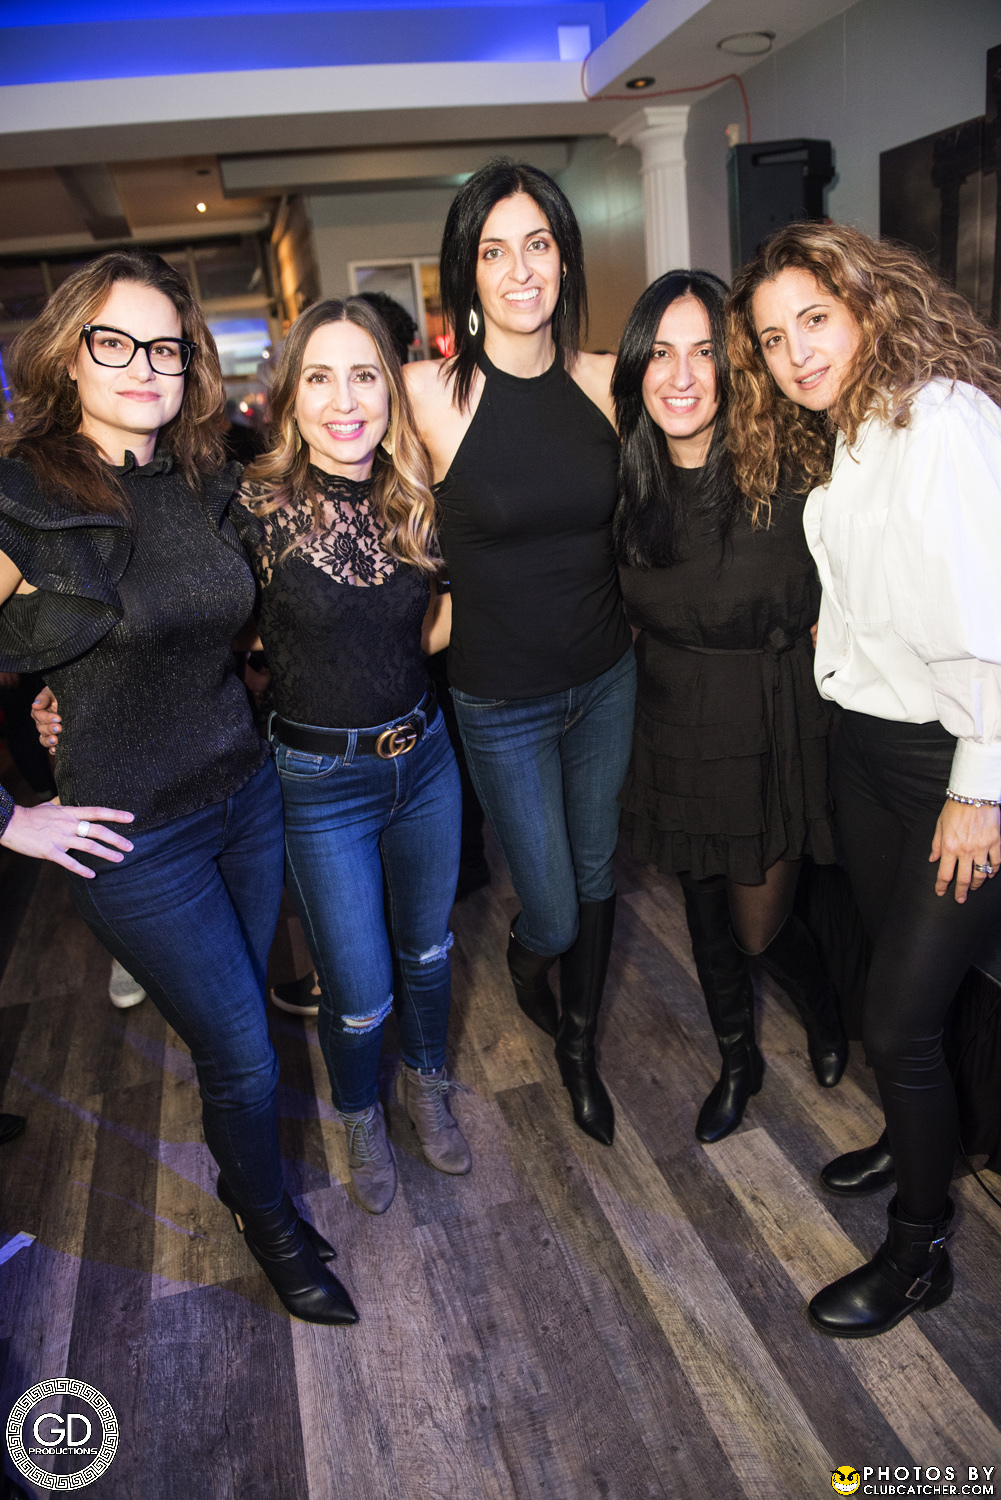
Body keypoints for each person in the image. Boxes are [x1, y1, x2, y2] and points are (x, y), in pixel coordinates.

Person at [0, 249, 356, 1326]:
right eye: (114, 342)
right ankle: (266, 1218)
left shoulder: (207, 478)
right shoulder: (23, 496)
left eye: (165, 347)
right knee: (243, 1048)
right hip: (133, 840)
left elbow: (227, 622)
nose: (143, 366)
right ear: (68, 355)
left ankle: (249, 1183)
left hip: (243, 800)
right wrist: (12, 820)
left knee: (241, 1034)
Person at [728, 221, 1001, 1339]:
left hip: (954, 765)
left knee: (894, 1021)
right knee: (898, 995)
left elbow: (989, 617)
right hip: (870, 750)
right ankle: (911, 1136)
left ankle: (918, 1247)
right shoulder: (850, 429)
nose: (794, 352)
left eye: (814, 320)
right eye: (771, 337)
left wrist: (978, 788)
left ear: (867, 308)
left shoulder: (943, 419)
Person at [405, 158, 635, 1146]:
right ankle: (526, 959)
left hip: (606, 680)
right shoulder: (426, 394)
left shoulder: (605, 382)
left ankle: (579, 1047)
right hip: (501, 702)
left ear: (564, 257)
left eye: (536, 244)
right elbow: (361, 530)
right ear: (467, 270)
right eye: (493, 252)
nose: (519, 270)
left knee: (597, 872)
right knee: (549, 907)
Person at [237, 298, 470, 1215]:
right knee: (361, 991)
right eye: (320, 378)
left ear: (389, 391)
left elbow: (430, 628)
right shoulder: (252, 511)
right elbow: (203, 632)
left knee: (429, 952)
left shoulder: (414, 494)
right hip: (319, 785)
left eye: (364, 375)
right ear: (291, 399)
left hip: (426, 762)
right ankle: (358, 1113)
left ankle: (426, 1083)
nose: (345, 400)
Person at [612, 270, 846, 1144]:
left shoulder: (794, 467)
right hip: (671, 716)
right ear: (636, 367)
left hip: (772, 715)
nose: (681, 376)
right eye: (660, 353)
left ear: (734, 364)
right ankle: (736, 1059)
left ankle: (823, 1006)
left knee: (756, 926)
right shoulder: (625, 483)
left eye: (704, 352)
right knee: (701, 908)